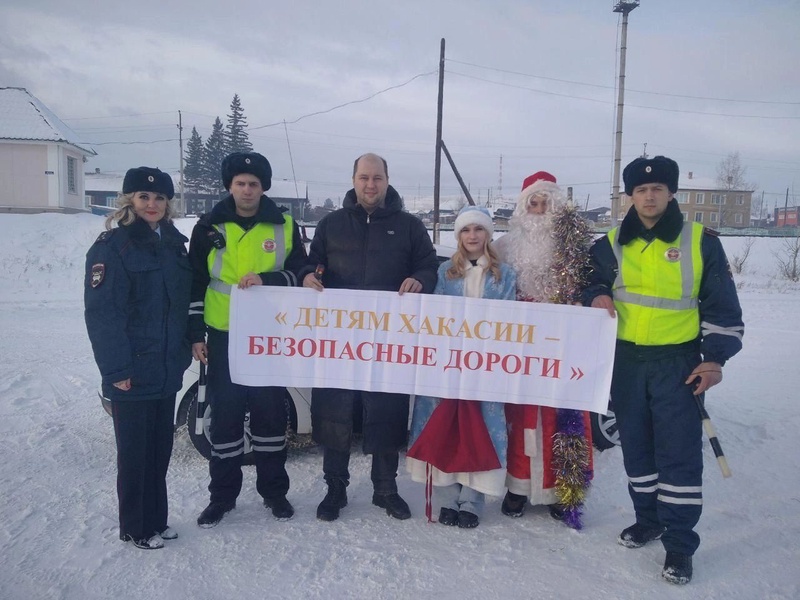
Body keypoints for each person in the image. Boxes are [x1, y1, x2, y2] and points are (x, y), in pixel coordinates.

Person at [582, 155, 744, 584]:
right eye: (640, 190)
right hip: (628, 363)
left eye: (657, 189)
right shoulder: (611, 242)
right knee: (637, 448)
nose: (649, 196)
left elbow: (722, 305)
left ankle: (679, 544)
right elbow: (588, 279)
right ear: (629, 196)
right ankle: (648, 519)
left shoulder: (700, 240)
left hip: (679, 363)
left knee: (678, 454)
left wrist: (715, 359)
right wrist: (596, 293)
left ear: (671, 193)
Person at [302, 152, 438, 522]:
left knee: (386, 410)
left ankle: (385, 489)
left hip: (388, 338)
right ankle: (335, 488)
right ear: (353, 179)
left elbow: (429, 264)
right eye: (364, 177)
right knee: (335, 409)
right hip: (339, 339)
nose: (370, 185)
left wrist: (421, 279)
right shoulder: (331, 224)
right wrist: (307, 275)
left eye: (377, 178)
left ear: (387, 179)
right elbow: (310, 261)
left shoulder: (409, 226)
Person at [188, 151, 308, 528]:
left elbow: (300, 272)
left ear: (263, 188)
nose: (247, 189)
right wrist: (195, 334)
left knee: (270, 416)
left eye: (254, 184)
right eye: (240, 183)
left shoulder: (284, 224)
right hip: (222, 334)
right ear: (230, 186)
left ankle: (275, 493)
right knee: (224, 419)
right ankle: (222, 498)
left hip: (269, 334)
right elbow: (194, 281)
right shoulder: (208, 225)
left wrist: (266, 280)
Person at [84, 167, 191, 550]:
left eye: (160, 198)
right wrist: (116, 370)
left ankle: (156, 521)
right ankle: (134, 527)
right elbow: (102, 314)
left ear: (169, 203)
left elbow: (182, 303)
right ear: (129, 200)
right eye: (144, 198)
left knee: (159, 450)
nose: (152, 204)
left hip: (165, 367)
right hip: (131, 369)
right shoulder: (113, 246)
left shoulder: (174, 244)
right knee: (135, 455)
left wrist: (186, 347)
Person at [493, 171, 594, 528]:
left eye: (545, 204)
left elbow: (592, 285)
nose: (538, 210)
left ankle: (560, 490)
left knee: (559, 416)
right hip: (518, 342)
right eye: (532, 203)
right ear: (522, 207)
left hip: (561, 341)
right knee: (519, 414)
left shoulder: (572, 246)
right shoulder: (504, 246)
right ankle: (517, 488)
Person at [406, 206, 516, 528]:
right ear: (458, 236)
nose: (472, 236)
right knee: (447, 427)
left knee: (478, 429)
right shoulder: (445, 273)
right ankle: (448, 497)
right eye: (466, 231)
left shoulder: (504, 275)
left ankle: (472, 498)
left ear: (487, 234)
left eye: (478, 230)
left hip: (485, 364)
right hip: (450, 364)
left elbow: (509, 319)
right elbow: (438, 317)